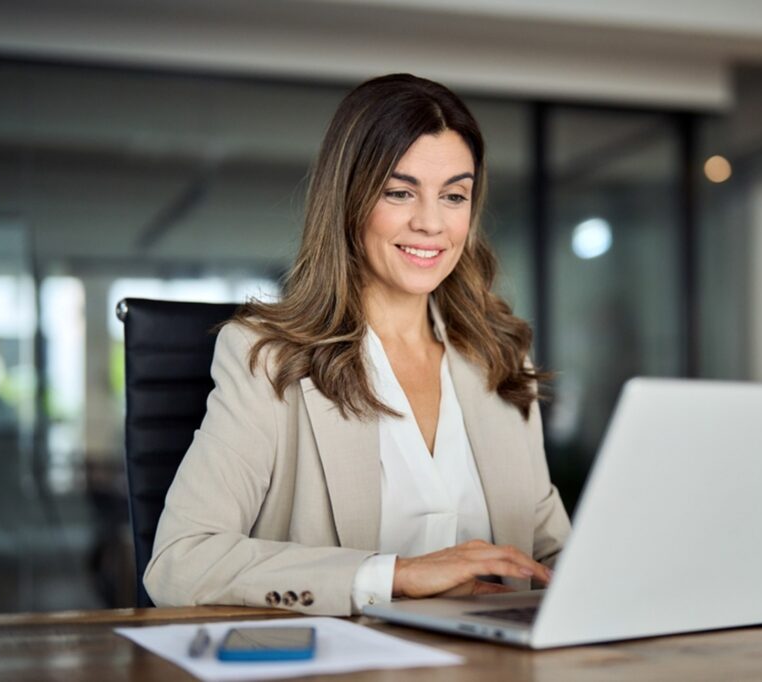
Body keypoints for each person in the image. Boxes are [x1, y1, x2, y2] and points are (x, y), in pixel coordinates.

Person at [144, 74, 571, 616]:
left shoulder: (499, 356)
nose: (431, 223)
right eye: (399, 192)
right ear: (349, 198)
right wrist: (396, 576)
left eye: (454, 196)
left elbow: (549, 549)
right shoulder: (268, 359)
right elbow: (181, 562)